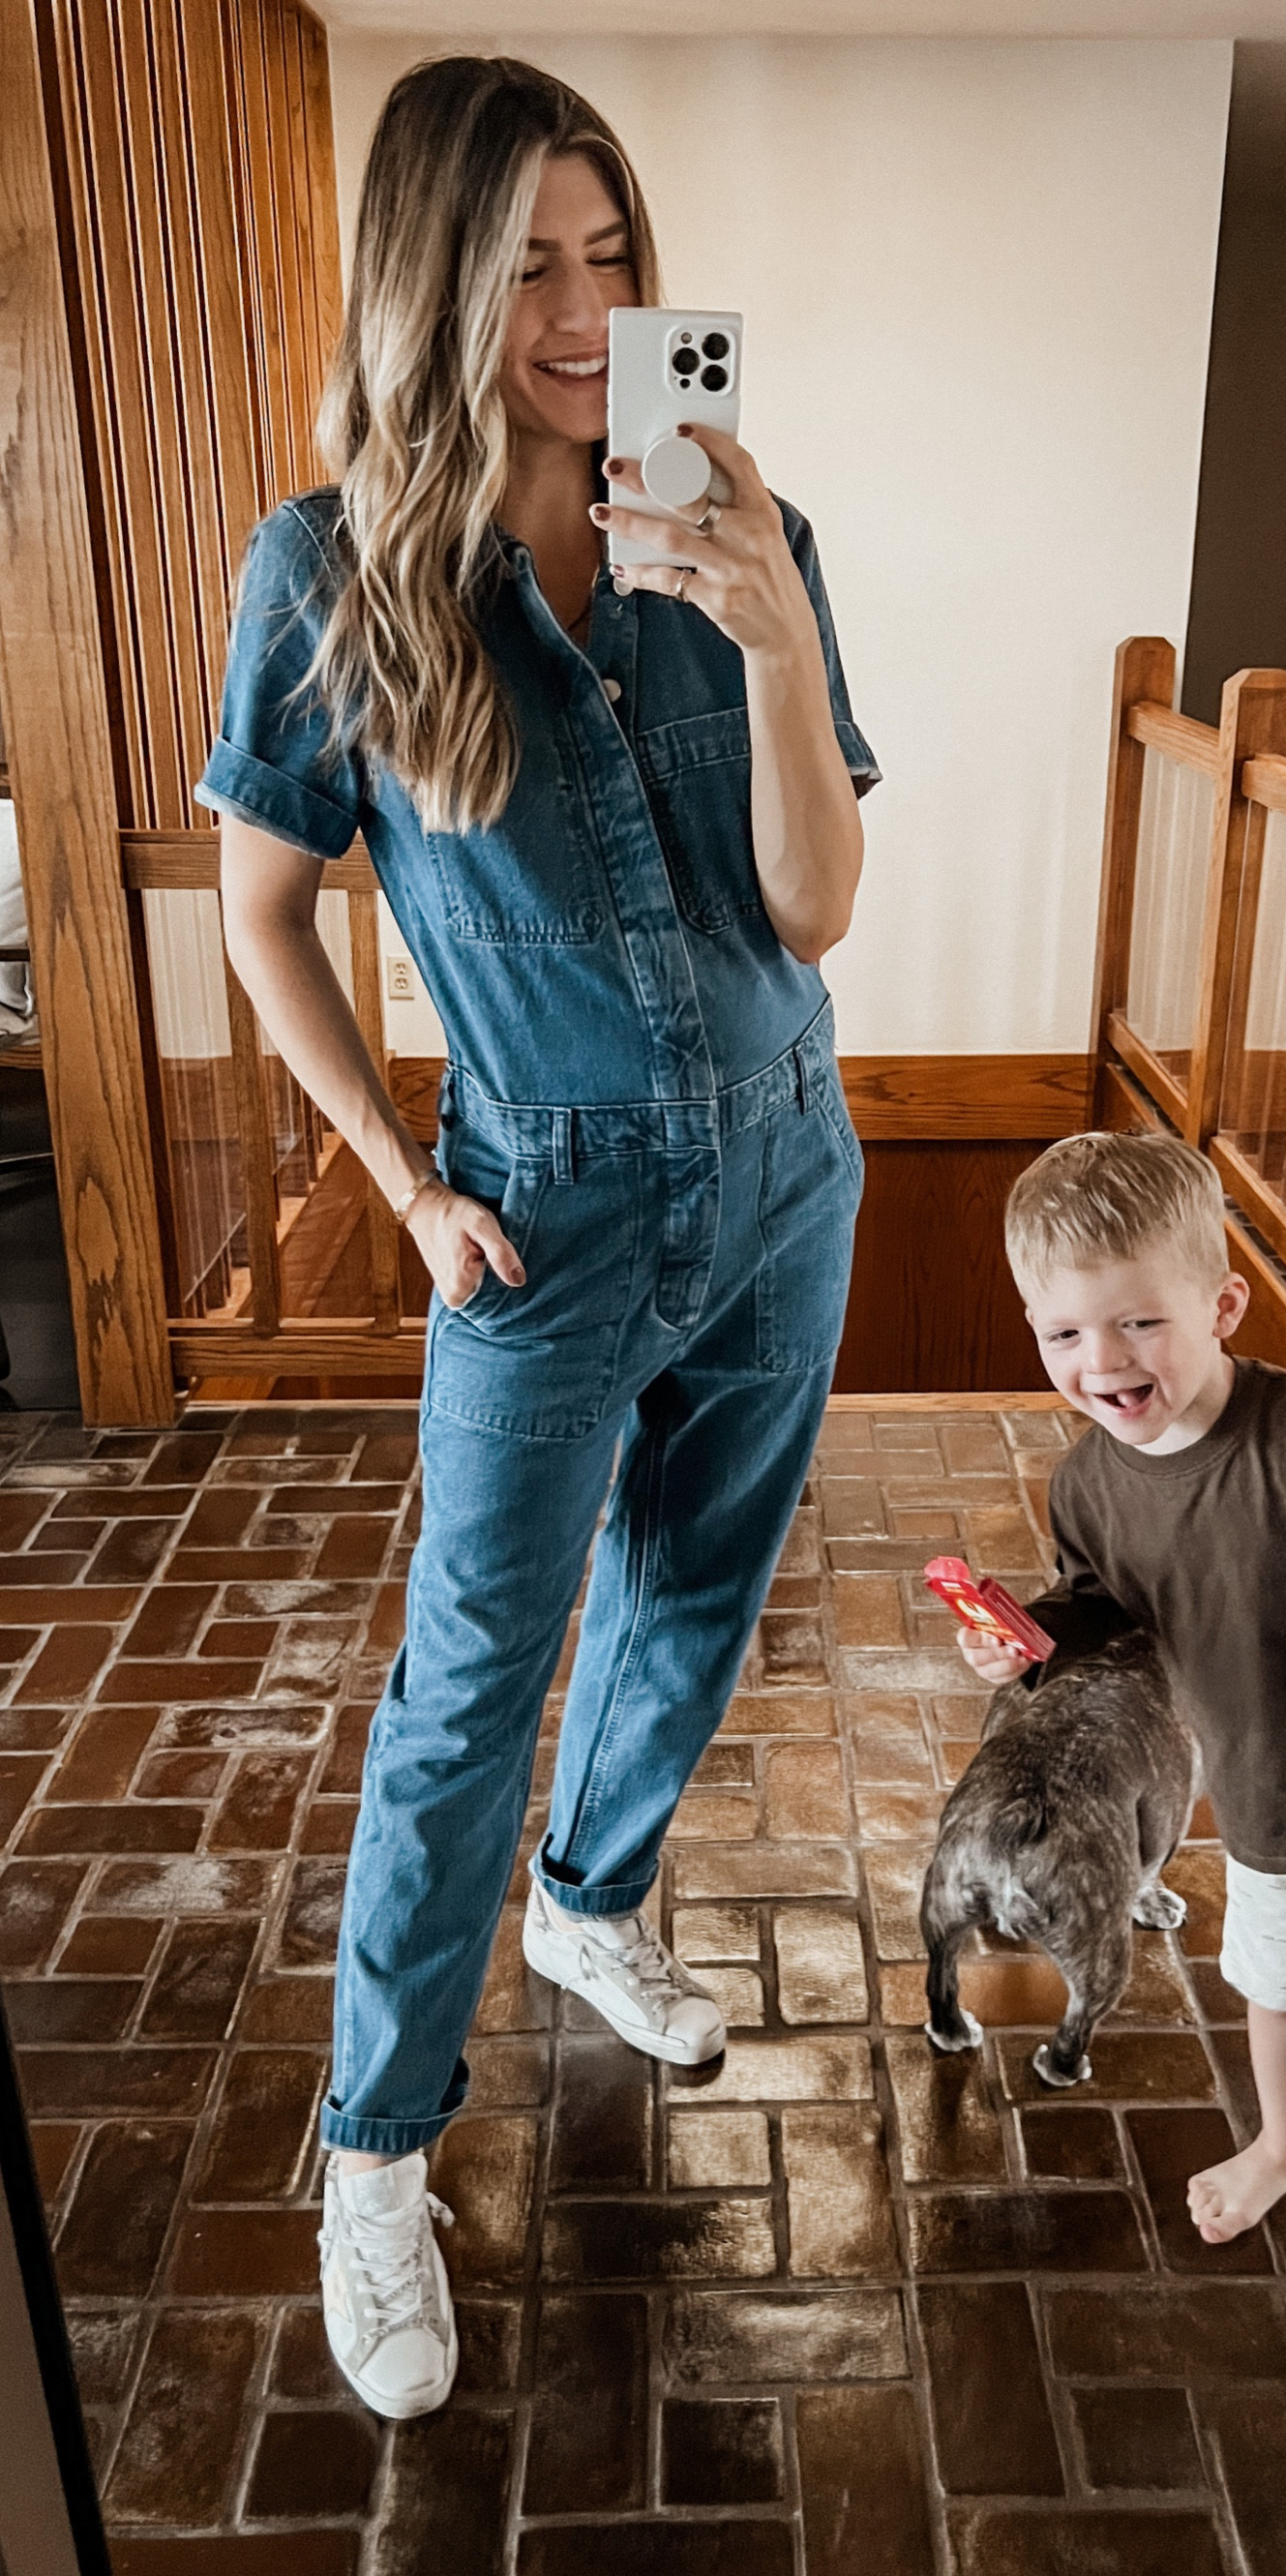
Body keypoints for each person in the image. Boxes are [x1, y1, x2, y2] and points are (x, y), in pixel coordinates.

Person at [198, 55, 877, 2418]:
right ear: (435, 286)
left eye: (610, 255)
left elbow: (812, 907)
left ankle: (589, 1914)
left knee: (695, 1593)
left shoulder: (744, 526)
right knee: (464, 1688)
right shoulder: (328, 566)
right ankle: (373, 2152)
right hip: (541, 1211)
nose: (587, 313)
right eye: (525, 268)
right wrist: (400, 1185)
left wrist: (778, 645)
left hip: (789, 1163)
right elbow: (262, 914)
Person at [958, 1128, 1286, 2247]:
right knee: (1277, 1994)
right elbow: (1099, 1598)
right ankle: (1284, 2142)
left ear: (1224, 1306)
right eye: (1063, 1331)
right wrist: (1031, 1638)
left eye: (1138, 1320)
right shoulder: (1088, 1483)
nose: (1101, 1358)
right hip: (1273, 1808)